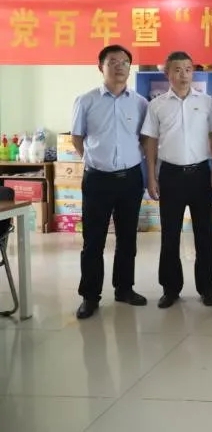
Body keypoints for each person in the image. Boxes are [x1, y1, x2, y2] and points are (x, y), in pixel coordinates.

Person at [71, 45, 148, 320]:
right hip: (97, 180)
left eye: (125, 62)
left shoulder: (140, 102)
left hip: (130, 179)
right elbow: (77, 137)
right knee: (93, 240)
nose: (119, 66)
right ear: (100, 67)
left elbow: (144, 139)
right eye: (112, 61)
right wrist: (94, 159)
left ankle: (124, 289)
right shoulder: (86, 101)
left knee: (127, 238)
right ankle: (90, 296)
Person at [142, 51, 212, 309]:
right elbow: (150, 141)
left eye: (188, 69)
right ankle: (170, 289)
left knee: (204, 234)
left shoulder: (206, 102)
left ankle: (206, 288)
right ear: (167, 73)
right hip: (171, 175)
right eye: (177, 70)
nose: (183, 75)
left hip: (200, 174)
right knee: (170, 235)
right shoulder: (157, 105)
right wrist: (151, 175)